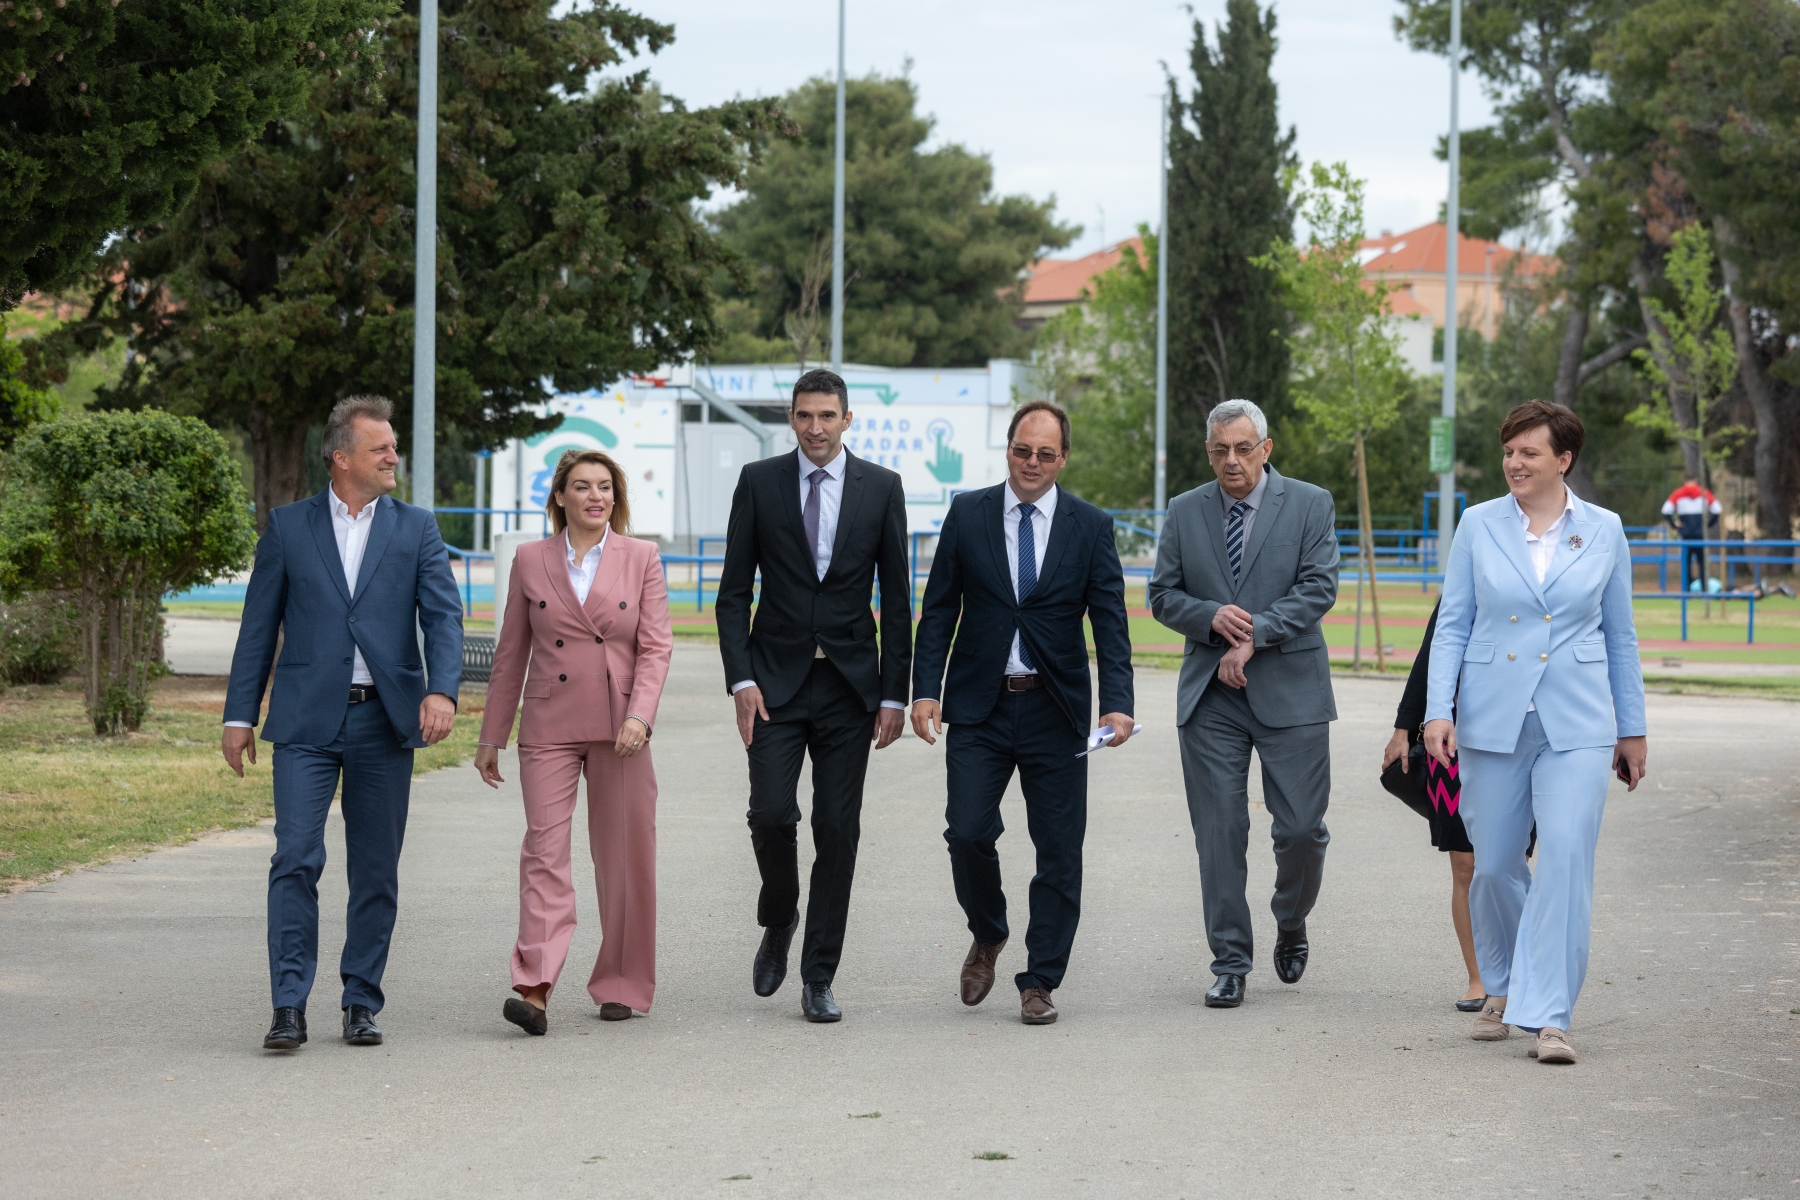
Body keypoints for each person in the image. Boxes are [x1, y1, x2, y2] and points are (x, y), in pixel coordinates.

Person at [223, 395, 463, 1051]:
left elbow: (444, 618)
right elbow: (257, 629)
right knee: (295, 858)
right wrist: (240, 714)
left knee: (376, 870)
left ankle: (361, 999)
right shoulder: (287, 526)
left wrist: (442, 691)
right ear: (340, 457)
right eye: (380, 448)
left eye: (393, 447)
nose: (393, 457)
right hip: (305, 722)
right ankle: (288, 1005)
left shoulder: (416, 528)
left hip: (384, 722)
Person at [1425, 399, 1648, 1066]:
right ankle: (1503, 985)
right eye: (1509, 452)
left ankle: (1549, 1014)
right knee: (1494, 866)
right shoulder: (1478, 523)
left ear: (1563, 459)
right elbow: (1453, 623)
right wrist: (1438, 711)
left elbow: (1621, 635)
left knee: (1566, 861)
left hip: (1578, 721)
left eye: (1529, 452)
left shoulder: (1605, 529)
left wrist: (1632, 728)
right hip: (1492, 715)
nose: (1514, 463)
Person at [910, 400, 1135, 1027]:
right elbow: (939, 609)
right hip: (979, 707)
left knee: (1059, 850)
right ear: (1007, 449)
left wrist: (1118, 702)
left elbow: (1110, 621)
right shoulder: (968, 513)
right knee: (967, 832)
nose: (1031, 462)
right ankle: (988, 931)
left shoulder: (1091, 526)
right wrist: (925, 689)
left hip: (1055, 710)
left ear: (1063, 459)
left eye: (1045, 454)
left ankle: (1040, 980)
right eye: (1021, 450)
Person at [715, 368, 913, 1024]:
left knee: (836, 829)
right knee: (771, 815)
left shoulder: (881, 488)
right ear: (792, 419)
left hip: (849, 687)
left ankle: (819, 975)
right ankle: (780, 915)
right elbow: (733, 593)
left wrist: (894, 693)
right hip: (773, 682)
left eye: (828, 415)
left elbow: (897, 599)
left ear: (847, 420)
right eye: (805, 415)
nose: (816, 427)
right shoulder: (759, 483)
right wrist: (741, 679)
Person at [1147, 398, 1339, 1010]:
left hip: (1292, 689)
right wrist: (1209, 617)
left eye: (1243, 448)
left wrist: (1255, 633)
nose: (1232, 460)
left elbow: (1319, 586)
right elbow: (1162, 595)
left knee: (1302, 830)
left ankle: (1291, 918)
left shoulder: (1310, 503)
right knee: (1220, 832)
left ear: (1266, 448)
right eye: (1220, 450)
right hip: (1211, 696)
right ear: (1209, 454)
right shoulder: (1185, 510)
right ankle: (1230, 961)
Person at [473, 450, 673, 1036]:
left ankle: (621, 983)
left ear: (616, 497)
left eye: (605, 487)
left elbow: (656, 647)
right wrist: (492, 735)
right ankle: (534, 986)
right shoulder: (530, 559)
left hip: (621, 727)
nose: (595, 496)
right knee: (544, 849)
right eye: (582, 486)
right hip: (549, 723)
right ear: (560, 496)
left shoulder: (641, 557)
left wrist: (640, 716)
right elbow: (511, 653)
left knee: (626, 856)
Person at [1383, 600, 1484, 1012]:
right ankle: (1480, 978)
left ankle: (1518, 971)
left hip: (1524, 733)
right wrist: (1403, 730)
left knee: (1508, 865)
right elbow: (1431, 654)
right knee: (1466, 865)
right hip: (1451, 737)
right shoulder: (1465, 582)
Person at [1661, 473, 1721, 591]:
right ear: (1696, 481)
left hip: (1685, 534)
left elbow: (1665, 510)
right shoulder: (1704, 493)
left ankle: (1686, 590)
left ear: (1684, 481)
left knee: (1685, 563)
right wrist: (1707, 525)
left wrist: (1674, 525)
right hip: (1700, 534)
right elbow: (1717, 509)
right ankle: (1704, 591)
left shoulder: (1678, 493)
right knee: (1703, 563)